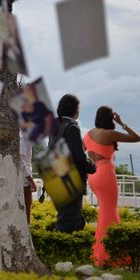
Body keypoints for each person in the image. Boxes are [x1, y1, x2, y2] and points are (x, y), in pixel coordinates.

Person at [83, 106, 140, 266]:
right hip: (106, 174)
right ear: (110, 118)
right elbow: (137, 138)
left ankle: (99, 253)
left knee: (104, 214)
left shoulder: (88, 135)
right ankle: (111, 256)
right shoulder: (109, 134)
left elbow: (82, 154)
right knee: (110, 215)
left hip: (93, 176)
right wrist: (122, 123)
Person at [50, 94, 96, 232]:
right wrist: (92, 166)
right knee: (69, 223)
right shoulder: (72, 127)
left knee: (67, 218)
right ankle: (61, 250)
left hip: (56, 178)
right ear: (74, 110)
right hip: (71, 180)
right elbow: (78, 156)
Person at [19, 130, 37, 224]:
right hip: (24, 179)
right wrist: (31, 180)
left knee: (28, 204)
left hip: (25, 178)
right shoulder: (24, 138)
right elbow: (20, 160)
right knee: (26, 205)